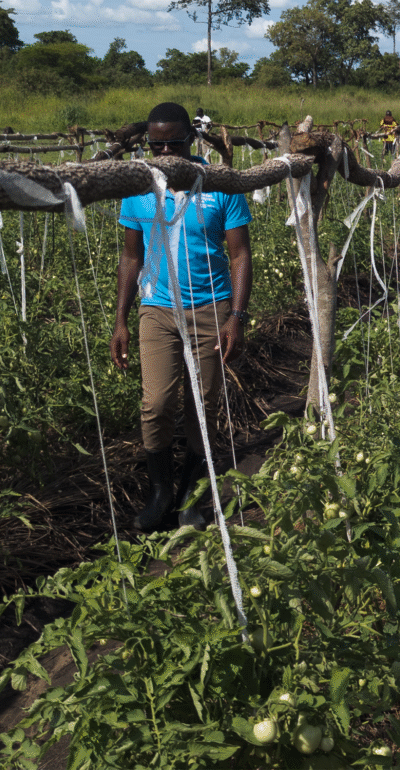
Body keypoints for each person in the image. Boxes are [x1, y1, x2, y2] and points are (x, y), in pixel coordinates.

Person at [111, 101, 253, 532]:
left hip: (210, 308)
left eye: (175, 142)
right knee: (155, 405)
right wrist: (121, 319)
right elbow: (131, 257)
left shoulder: (218, 184)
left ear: (192, 139)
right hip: (157, 308)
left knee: (202, 405)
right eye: (158, 145)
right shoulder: (138, 186)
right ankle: (160, 492)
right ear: (148, 145)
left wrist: (237, 317)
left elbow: (241, 255)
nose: (167, 152)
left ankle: (192, 496)